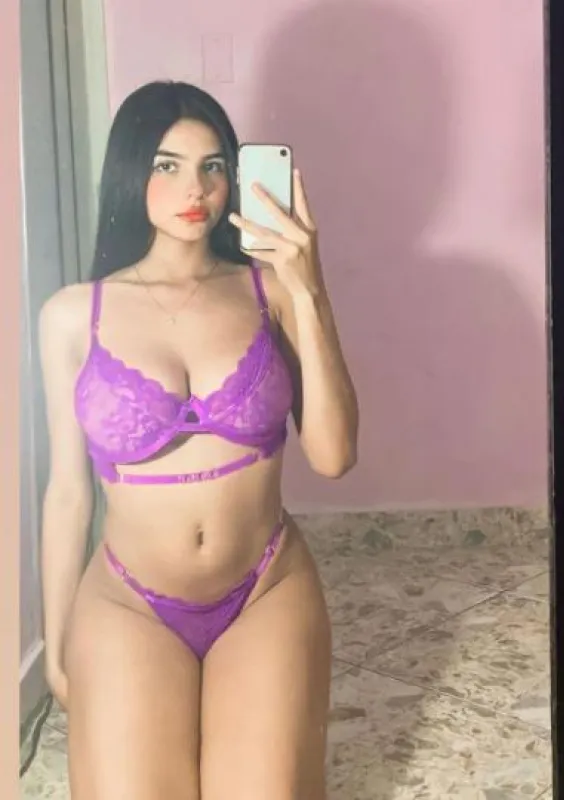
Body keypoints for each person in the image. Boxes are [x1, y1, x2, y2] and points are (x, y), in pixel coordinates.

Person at [38, 80, 358, 800]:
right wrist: (57, 641)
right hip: (129, 602)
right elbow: (66, 495)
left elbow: (335, 457)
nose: (197, 188)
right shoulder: (72, 316)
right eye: (168, 165)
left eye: (214, 165)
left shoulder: (271, 292)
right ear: (131, 172)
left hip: (266, 589)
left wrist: (309, 289)